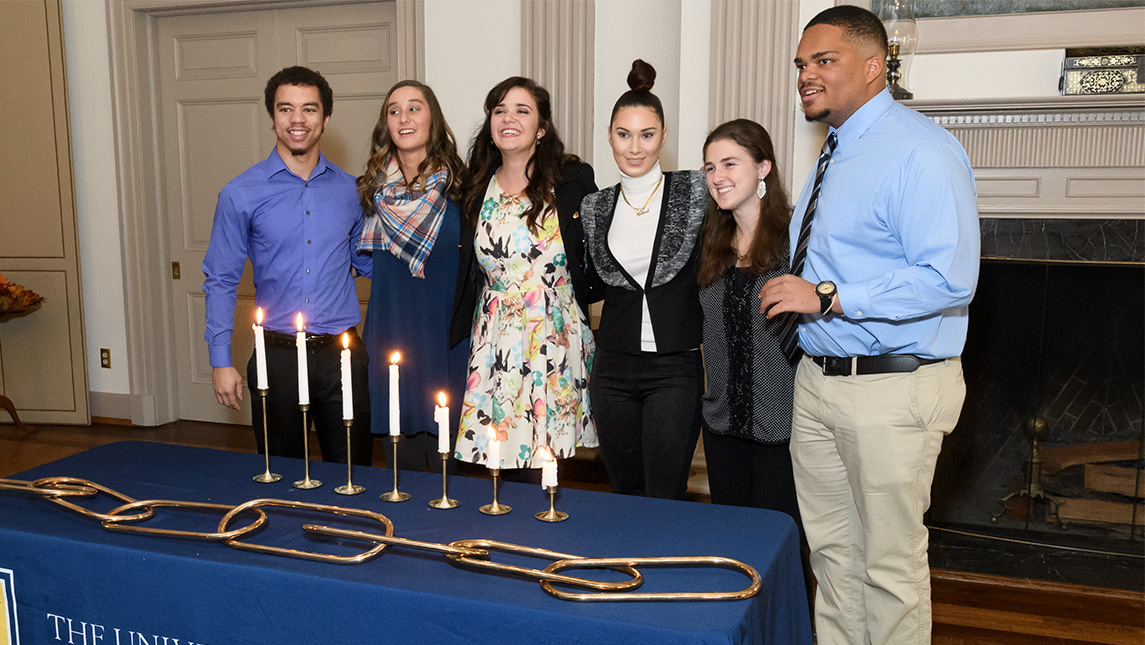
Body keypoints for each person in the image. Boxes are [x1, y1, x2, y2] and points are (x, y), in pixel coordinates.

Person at [759, 6, 980, 644]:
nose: (807, 75)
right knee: (832, 560)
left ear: (874, 65)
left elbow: (949, 279)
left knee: (889, 568)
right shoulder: (836, 147)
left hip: (893, 388)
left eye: (824, 61)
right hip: (820, 384)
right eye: (802, 63)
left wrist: (827, 296)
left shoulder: (923, 151)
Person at [204, 66, 373, 465]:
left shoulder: (354, 191)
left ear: (326, 119)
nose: (298, 120)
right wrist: (220, 361)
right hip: (275, 357)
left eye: (309, 109)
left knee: (354, 472)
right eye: (286, 109)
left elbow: (365, 264)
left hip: (342, 355)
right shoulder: (239, 193)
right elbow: (221, 279)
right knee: (280, 474)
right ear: (272, 117)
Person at [450, 77, 598, 482]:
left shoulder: (572, 180)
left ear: (542, 127)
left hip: (553, 334)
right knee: (495, 459)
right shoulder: (475, 186)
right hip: (495, 337)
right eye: (499, 110)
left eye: (522, 110)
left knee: (544, 464)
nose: (508, 118)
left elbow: (599, 254)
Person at [580, 60, 707, 500]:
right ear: (610, 136)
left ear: (664, 136)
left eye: (647, 135)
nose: (635, 148)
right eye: (623, 134)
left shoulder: (695, 192)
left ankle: (665, 569)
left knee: (664, 491)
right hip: (612, 366)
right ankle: (629, 568)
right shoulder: (595, 207)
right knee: (625, 489)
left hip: (674, 367)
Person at [697, 118, 811, 603]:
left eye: (730, 163)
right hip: (722, 426)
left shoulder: (795, 240)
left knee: (782, 551)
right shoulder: (712, 241)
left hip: (781, 430)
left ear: (763, 167)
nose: (718, 175)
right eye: (709, 167)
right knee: (732, 553)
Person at [356, 80, 468, 472]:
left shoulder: (464, 188)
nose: (404, 118)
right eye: (394, 110)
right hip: (391, 337)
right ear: (385, 124)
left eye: (414, 108)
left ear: (433, 117)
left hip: (448, 341)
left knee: (449, 475)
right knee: (399, 475)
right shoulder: (370, 192)